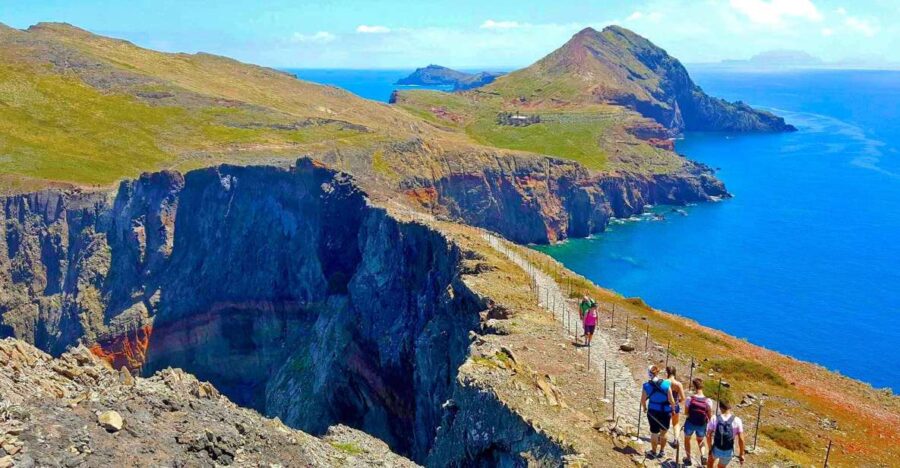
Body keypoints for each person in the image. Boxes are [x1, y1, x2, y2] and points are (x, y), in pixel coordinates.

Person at [641, 365, 676, 460]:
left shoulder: (646, 385)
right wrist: (673, 409)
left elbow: (643, 400)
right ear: (658, 372)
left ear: (649, 373)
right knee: (664, 432)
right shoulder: (666, 384)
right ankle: (662, 451)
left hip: (652, 411)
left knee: (654, 432)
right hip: (665, 411)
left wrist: (644, 408)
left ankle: (653, 451)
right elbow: (672, 400)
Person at [705, 399, 745, 467]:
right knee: (721, 466)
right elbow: (741, 439)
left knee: (710, 461)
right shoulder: (737, 420)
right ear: (730, 408)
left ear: (720, 408)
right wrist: (741, 454)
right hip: (728, 450)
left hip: (716, 448)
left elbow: (708, 435)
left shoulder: (715, 418)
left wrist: (710, 448)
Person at [683, 377, 713, 466]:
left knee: (687, 440)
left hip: (690, 423)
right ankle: (703, 455)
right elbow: (709, 416)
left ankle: (688, 459)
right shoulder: (708, 401)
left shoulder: (689, 399)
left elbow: (686, 413)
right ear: (702, 387)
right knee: (700, 440)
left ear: (694, 387)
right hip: (701, 424)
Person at [666, 366, 686, 445]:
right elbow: (683, 397)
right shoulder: (678, 384)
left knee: (665, 422)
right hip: (676, 405)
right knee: (676, 423)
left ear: (667, 373)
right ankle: (676, 439)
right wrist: (678, 401)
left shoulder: (665, 382)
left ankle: (662, 438)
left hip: (666, 405)